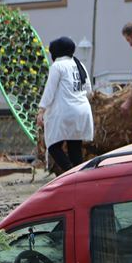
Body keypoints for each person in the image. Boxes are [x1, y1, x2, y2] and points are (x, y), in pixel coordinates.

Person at [36, 36, 94, 173]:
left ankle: (70, 173)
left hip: (65, 111)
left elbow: (49, 91)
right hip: (83, 110)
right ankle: (78, 177)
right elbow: (89, 91)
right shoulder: (79, 64)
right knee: (75, 147)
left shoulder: (57, 66)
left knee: (53, 146)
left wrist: (41, 111)